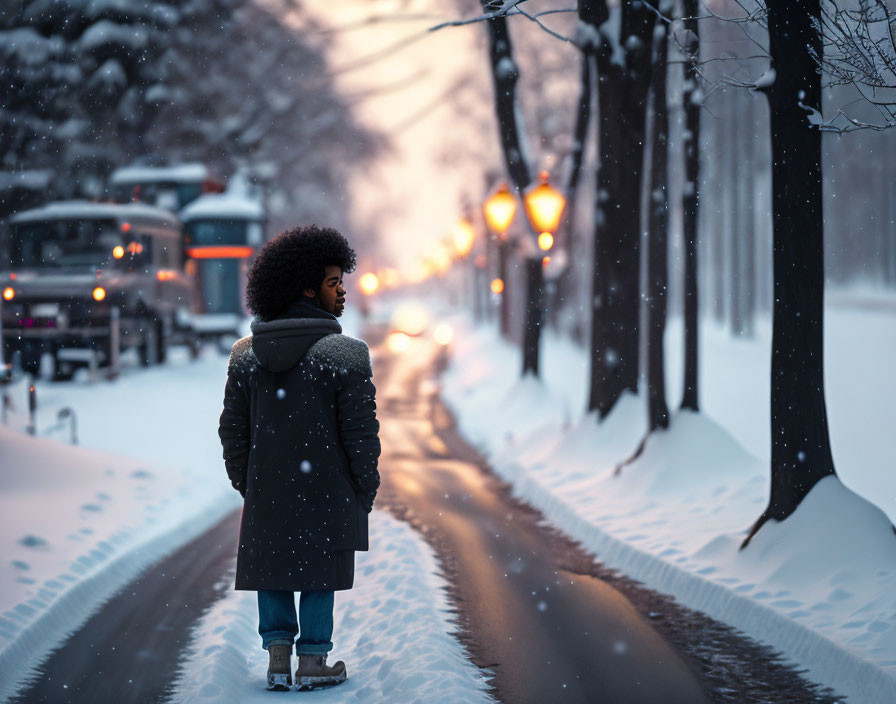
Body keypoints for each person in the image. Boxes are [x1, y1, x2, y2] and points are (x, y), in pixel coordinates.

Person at [217, 225, 381, 691]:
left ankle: (277, 659)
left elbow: (233, 431)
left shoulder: (246, 357)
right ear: (307, 289)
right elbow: (361, 435)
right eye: (334, 284)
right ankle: (313, 662)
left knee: (273, 566)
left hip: (268, 489)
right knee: (317, 573)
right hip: (327, 490)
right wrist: (362, 487)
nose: (343, 293)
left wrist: (250, 481)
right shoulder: (344, 355)